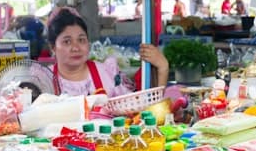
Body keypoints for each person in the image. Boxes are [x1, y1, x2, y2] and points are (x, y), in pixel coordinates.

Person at [28, 7, 168, 97]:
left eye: (81, 40)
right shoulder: (42, 80)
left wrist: (162, 68)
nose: (76, 47)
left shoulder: (108, 73)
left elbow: (139, 108)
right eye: (67, 41)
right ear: (53, 47)